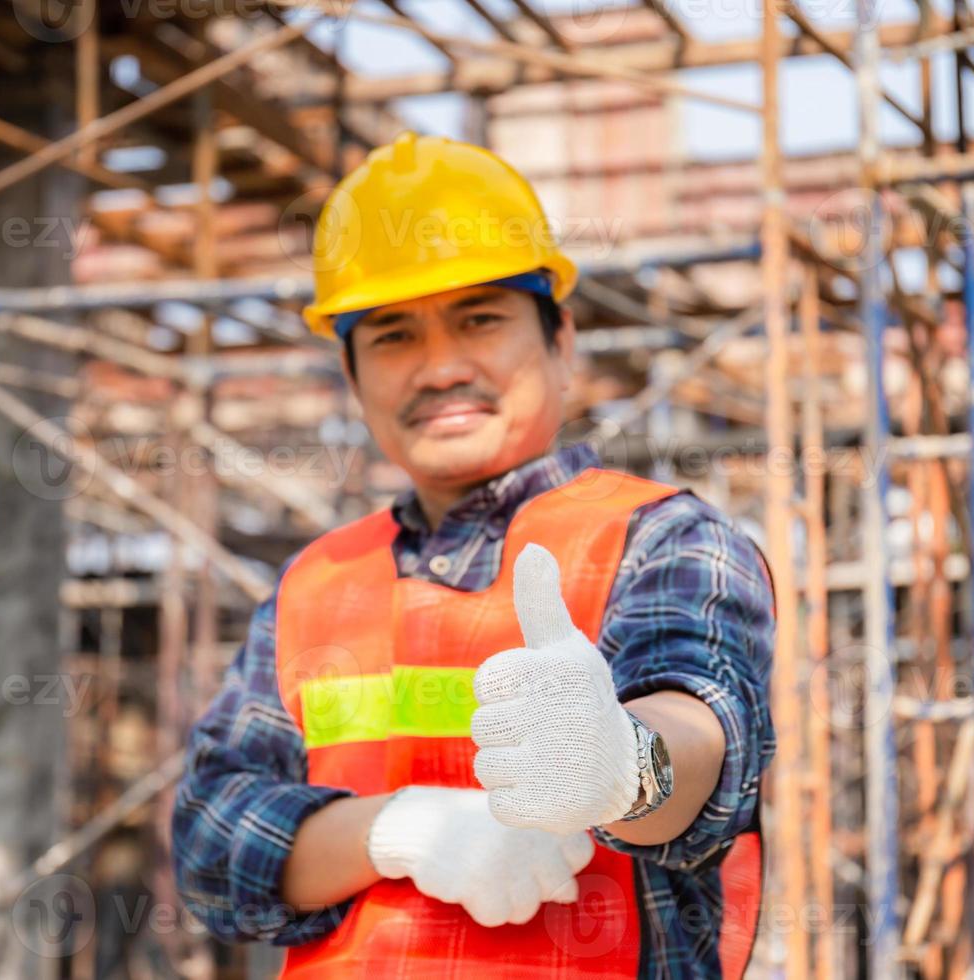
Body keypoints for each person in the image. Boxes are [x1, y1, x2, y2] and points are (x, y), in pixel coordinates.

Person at [172, 132, 775, 978]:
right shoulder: (316, 584)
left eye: (480, 318)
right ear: (351, 373)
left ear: (562, 340)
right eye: (391, 335)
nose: (441, 366)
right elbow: (211, 842)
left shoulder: (661, 538)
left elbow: (701, 722)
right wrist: (398, 830)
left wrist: (625, 764)